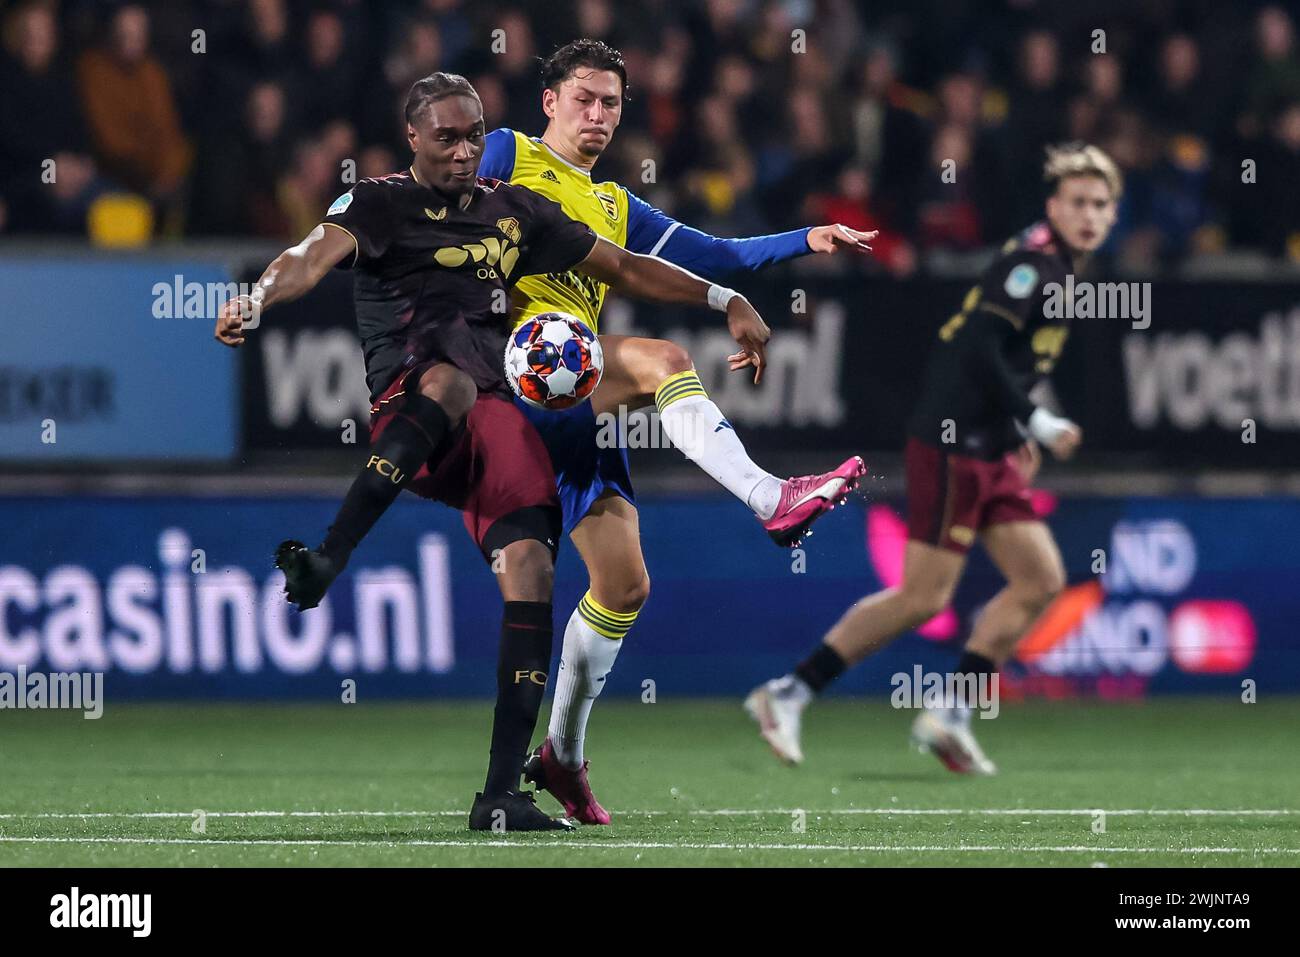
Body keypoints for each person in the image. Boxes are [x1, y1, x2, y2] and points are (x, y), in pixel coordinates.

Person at [213, 73, 781, 831]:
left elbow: (626, 267)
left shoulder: (513, 210)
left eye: (472, 135)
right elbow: (308, 256)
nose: (461, 150)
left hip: (492, 417)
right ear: (411, 137)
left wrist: (726, 299)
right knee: (447, 381)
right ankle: (329, 554)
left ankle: (499, 795)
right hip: (409, 407)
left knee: (536, 565)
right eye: (444, 137)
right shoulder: (378, 201)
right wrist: (256, 298)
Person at [476, 39, 875, 824]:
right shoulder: (506, 154)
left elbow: (719, 252)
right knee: (663, 357)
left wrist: (805, 238)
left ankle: (561, 754)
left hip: (569, 394)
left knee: (623, 584)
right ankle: (770, 496)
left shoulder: (617, 206)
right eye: (583, 99)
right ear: (549, 101)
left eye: (612, 104)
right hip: (503, 375)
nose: (597, 115)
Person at [746, 143, 1121, 774]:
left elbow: (1004, 359)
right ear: (1054, 206)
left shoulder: (1060, 265)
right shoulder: (1033, 263)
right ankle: (790, 691)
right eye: (1077, 202)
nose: (1088, 214)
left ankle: (951, 710)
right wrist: (1036, 417)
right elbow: (978, 346)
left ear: (1113, 214)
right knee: (923, 596)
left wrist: (1014, 425)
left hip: (990, 443)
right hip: (952, 442)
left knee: (1041, 580)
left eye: (1100, 204)